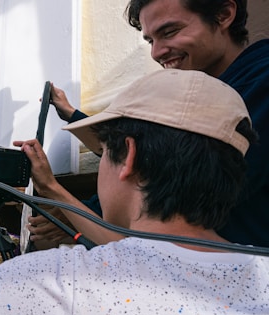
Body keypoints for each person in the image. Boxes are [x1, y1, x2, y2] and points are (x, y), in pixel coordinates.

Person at [0, 69, 269, 315]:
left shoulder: (63, 280)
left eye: (104, 150)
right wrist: (50, 187)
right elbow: (153, 255)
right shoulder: (261, 271)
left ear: (128, 156)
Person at [37, 0, 269, 248]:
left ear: (224, 14)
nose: (157, 53)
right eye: (150, 40)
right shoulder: (197, 86)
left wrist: (76, 206)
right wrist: (73, 115)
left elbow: (176, 178)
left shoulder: (260, 83)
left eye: (169, 32)